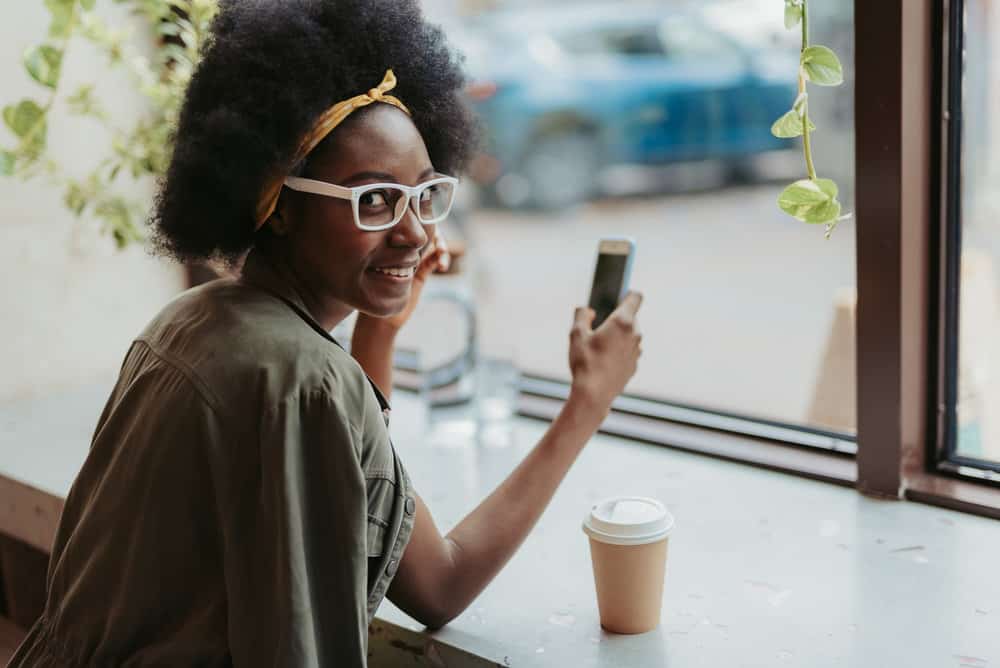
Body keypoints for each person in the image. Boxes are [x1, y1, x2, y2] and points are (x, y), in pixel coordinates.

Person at [8, 1, 643, 665]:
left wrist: (380, 333)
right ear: (278, 205)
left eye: (424, 195)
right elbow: (441, 580)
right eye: (373, 200)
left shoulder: (192, 321)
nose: (415, 232)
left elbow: (405, 550)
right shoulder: (303, 380)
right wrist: (586, 405)